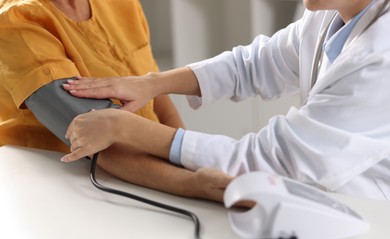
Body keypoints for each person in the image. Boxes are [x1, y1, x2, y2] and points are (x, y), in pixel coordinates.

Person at [61, 0, 390, 201]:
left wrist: (128, 129)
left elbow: (268, 160)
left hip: (373, 213)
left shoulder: (379, 54)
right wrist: (152, 84)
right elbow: (255, 64)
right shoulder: (332, 12)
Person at [0, 0, 233, 202]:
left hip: (152, 170)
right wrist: (191, 182)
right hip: (67, 186)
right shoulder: (16, 22)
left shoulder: (120, 4)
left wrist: (190, 158)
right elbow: (98, 141)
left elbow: (155, 93)